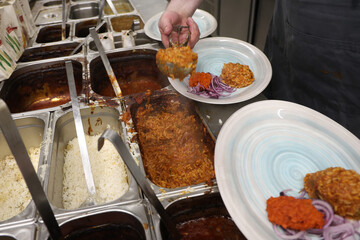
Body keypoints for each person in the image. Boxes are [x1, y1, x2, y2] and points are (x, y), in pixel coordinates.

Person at [158, 0, 360, 139]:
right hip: (291, 17)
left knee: (331, 141)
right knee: (272, 122)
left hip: (346, 35)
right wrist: (183, 6)